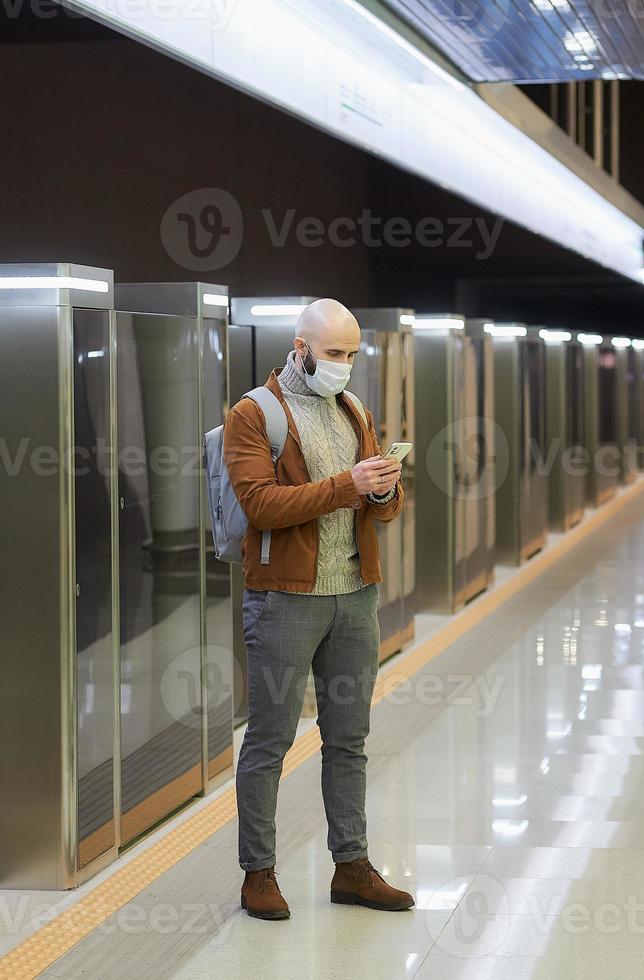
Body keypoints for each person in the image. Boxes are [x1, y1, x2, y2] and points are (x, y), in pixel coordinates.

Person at [223, 298, 413, 920]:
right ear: (300, 347)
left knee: (349, 739)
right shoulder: (255, 415)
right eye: (334, 354)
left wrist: (384, 488)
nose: (345, 366)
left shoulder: (352, 410)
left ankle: (352, 867)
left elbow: (380, 510)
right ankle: (258, 874)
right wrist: (347, 485)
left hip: (354, 596)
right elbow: (260, 506)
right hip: (284, 601)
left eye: (353, 355)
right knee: (270, 741)